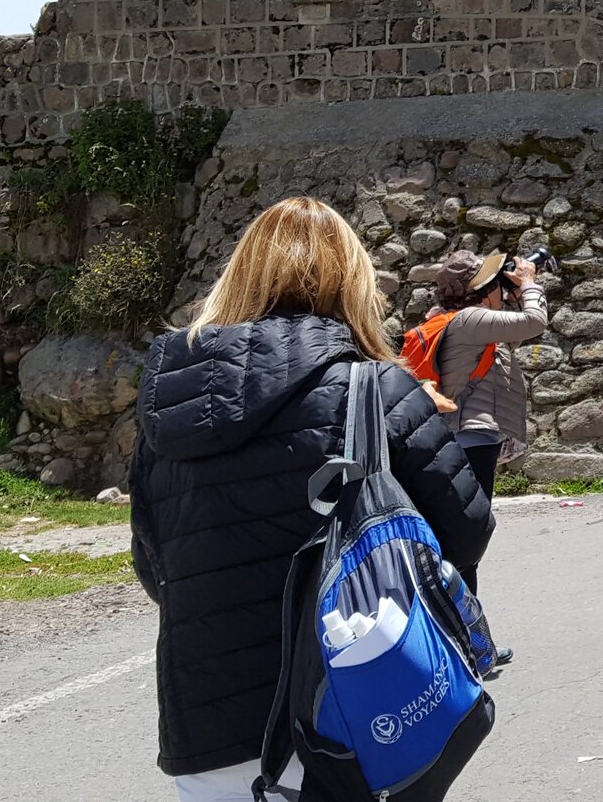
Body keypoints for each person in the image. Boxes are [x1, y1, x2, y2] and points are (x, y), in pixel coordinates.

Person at [130, 197, 492, 802]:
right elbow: (467, 526)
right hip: (347, 711)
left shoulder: (169, 401)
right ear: (353, 283)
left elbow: (152, 560)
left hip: (204, 727)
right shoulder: (376, 386)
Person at [417, 249, 550, 591]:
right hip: (471, 438)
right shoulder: (470, 321)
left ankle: (468, 636)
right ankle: (468, 638)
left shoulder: (453, 318)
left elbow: (515, 334)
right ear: (478, 290)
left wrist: (512, 292)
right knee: (467, 538)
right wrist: (531, 285)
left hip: (464, 438)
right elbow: (533, 323)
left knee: (464, 536)